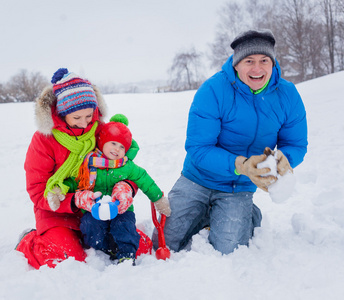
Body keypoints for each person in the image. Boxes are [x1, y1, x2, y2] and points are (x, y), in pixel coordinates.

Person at [154, 29, 308, 255]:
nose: (257, 69)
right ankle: (208, 211)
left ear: (273, 63)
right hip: (197, 178)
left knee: (227, 250)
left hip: (239, 187)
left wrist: (283, 159)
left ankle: (245, 213)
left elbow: (296, 144)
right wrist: (242, 165)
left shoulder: (288, 95)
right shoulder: (213, 90)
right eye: (249, 61)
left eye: (264, 60)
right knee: (164, 241)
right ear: (236, 64)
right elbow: (199, 148)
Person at [16, 68, 139, 269]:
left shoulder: (99, 128)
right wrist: (74, 200)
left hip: (97, 209)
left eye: (89, 116)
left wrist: (127, 186)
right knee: (70, 259)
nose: (84, 123)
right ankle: (29, 242)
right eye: (76, 118)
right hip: (58, 211)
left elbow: (125, 165)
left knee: (136, 245)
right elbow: (38, 190)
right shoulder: (43, 140)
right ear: (61, 114)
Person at [74, 114, 171, 263]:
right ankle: (101, 250)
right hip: (95, 208)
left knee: (124, 226)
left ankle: (126, 254)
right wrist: (59, 190)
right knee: (90, 226)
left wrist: (157, 198)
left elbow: (144, 180)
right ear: (102, 141)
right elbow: (75, 181)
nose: (117, 149)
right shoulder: (88, 163)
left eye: (121, 147)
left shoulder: (127, 166)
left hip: (121, 208)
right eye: (113, 143)